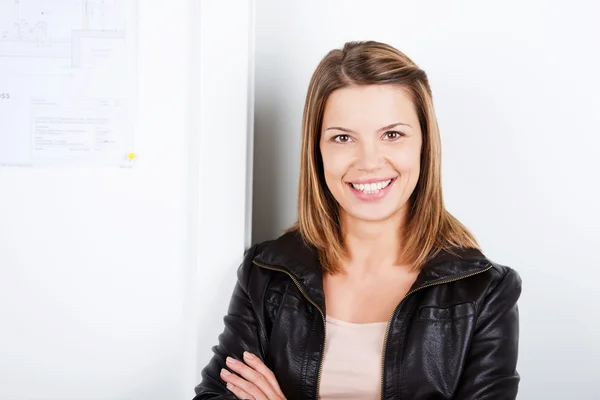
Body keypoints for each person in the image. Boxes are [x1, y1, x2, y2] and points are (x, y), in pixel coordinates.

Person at [193, 40, 522, 400]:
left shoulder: (484, 291)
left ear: (425, 144)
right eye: (343, 138)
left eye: (392, 135)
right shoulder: (267, 274)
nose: (368, 162)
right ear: (316, 150)